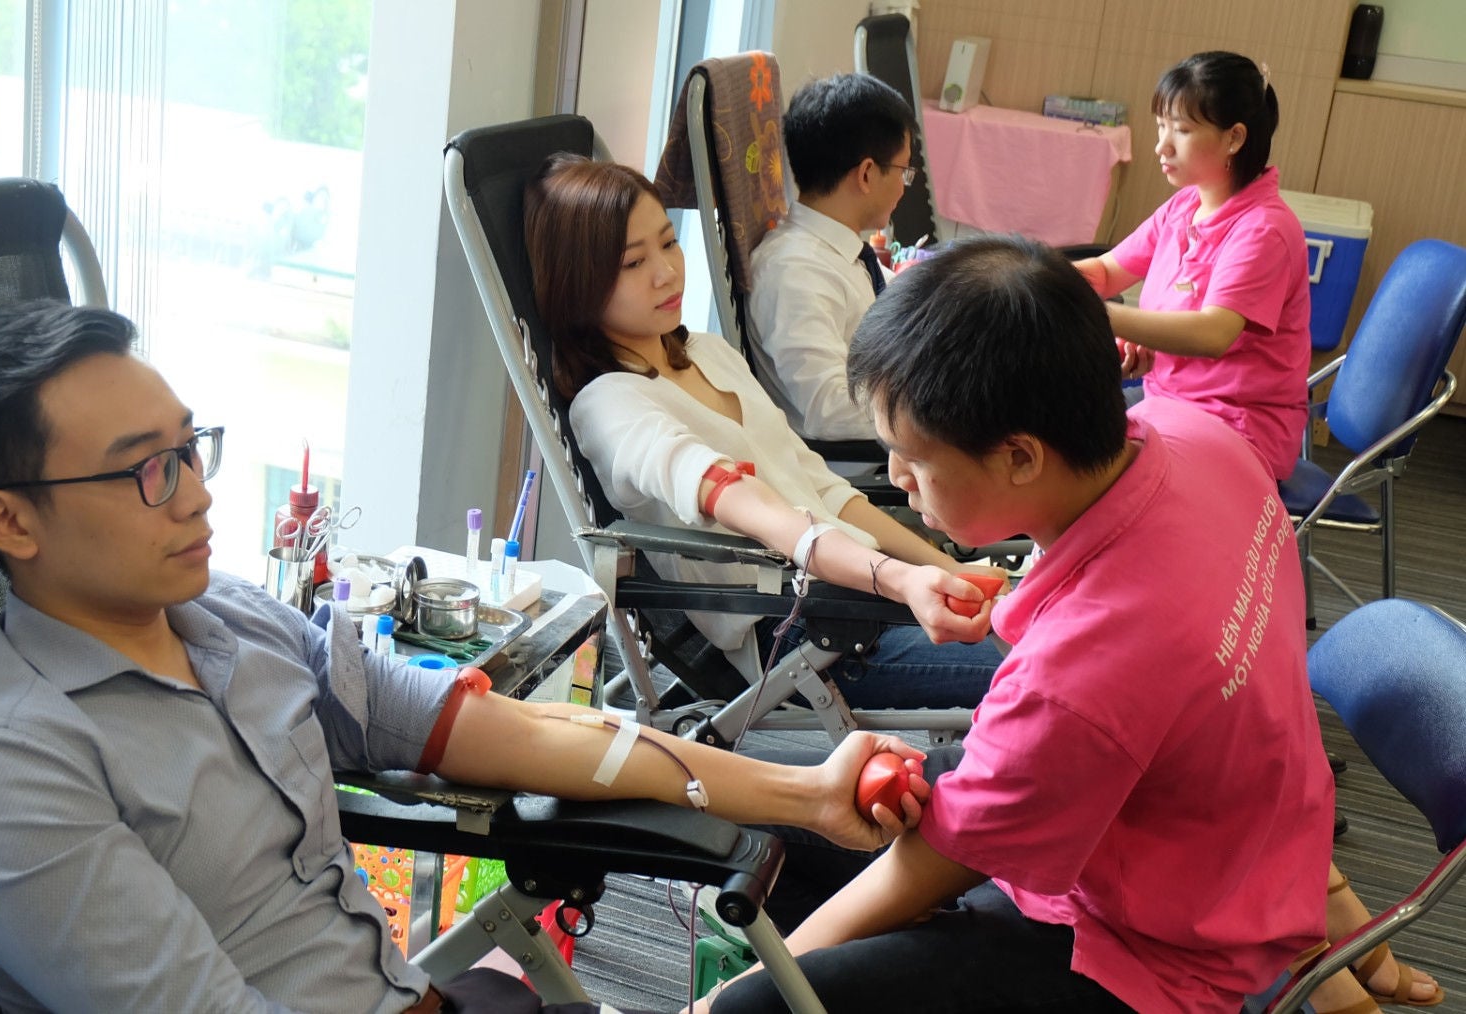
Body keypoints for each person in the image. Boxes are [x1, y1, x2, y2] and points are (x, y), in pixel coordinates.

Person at [0, 299, 929, 1014]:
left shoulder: (227, 621)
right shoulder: (7, 771)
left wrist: (801, 791)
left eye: (190, 446)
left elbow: (485, 727)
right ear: (11, 522)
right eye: (147, 472)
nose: (198, 492)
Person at [707, 235, 1334, 1013]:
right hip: (1244, 852)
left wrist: (757, 984)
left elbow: (945, 856)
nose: (899, 481)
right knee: (813, 821)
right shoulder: (1199, 436)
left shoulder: (1081, 676)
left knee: (756, 1001)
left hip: (1154, 953)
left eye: (912, 459)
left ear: (1021, 458)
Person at [525, 155, 1002, 712]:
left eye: (667, 243)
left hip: (860, 593)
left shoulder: (707, 352)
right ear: (578, 283)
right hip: (806, 636)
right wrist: (902, 581)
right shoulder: (611, 405)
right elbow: (762, 512)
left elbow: (821, 491)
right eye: (633, 262)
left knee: (1053, 636)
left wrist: (948, 570)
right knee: (1042, 669)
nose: (666, 272)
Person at [1075, 51, 1311, 481]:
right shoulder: (1187, 204)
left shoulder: (1264, 230)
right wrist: (1042, 279)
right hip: (1170, 404)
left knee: (1072, 459)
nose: (1161, 146)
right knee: (1055, 426)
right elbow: (1108, 271)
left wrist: (1095, 314)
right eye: (1161, 126)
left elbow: (1213, 333)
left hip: (1236, 429)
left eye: (1181, 130)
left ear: (1234, 139)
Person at [747, 72, 916, 443]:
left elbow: (886, 291)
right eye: (904, 172)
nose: (904, 187)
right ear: (867, 174)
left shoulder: (839, 252)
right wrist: (940, 405)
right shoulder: (795, 272)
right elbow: (826, 406)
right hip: (855, 465)